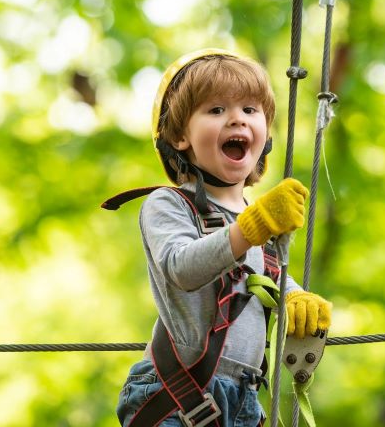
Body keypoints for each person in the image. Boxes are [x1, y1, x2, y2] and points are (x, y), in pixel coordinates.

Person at [113, 49, 332, 427]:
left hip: (244, 398)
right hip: (176, 393)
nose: (236, 119)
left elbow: (264, 276)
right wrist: (252, 227)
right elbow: (181, 266)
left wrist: (294, 296)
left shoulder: (259, 220)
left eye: (250, 110)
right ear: (180, 136)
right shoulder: (168, 203)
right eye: (216, 110)